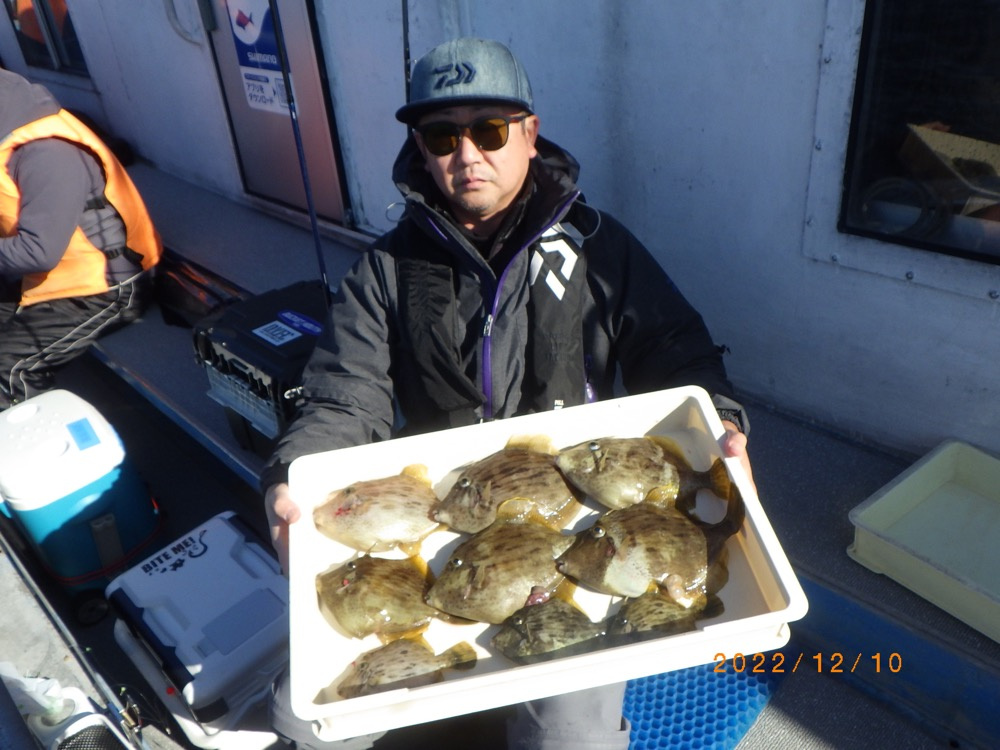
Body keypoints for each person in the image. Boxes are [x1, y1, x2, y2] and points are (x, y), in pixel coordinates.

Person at [261, 37, 754, 750]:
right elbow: (345, 394)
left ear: (529, 133)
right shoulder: (386, 268)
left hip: (581, 521)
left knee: (572, 737)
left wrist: (723, 425)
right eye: (442, 135)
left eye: (489, 130)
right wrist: (292, 476)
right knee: (304, 721)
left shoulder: (599, 247)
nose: (467, 154)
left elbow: (675, 348)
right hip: (445, 529)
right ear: (421, 149)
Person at [0, 68, 162, 408]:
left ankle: (37, 436)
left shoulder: (46, 153)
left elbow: (37, 251)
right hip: (45, 278)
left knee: (7, 366)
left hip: (105, 288)